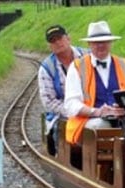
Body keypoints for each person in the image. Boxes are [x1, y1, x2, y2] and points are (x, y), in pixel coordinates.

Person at [63, 20, 125, 145]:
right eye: (96, 42)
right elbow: (71, 104)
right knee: (102, 125)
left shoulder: (123, 64)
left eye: (104, 42)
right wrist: (97, 112)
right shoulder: (77, 67)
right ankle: (105, 162)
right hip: (91, 120)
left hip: (123, 118)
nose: (100, 46)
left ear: (111, 42)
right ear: (89, 44)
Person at [38, 24, 87, 155]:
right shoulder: (46, 68)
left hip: (92, 108)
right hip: (63, 114)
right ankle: (62, 161)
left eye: (60, 38)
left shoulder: (87, 56)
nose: (57, 43)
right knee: (61, 129)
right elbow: (49, 102)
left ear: (68, 38)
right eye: (53, 41)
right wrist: (75, 111)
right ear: (50, 46)